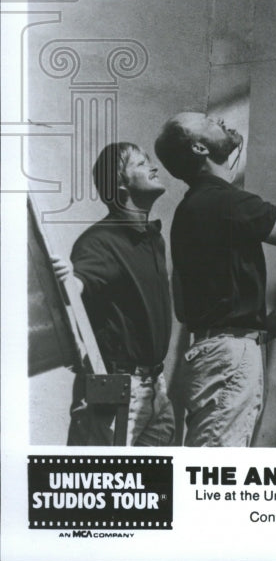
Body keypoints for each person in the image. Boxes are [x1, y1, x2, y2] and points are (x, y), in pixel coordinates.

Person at [154, 112, 276, 447]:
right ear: (199, 147)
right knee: (214, 472)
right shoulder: (224, 201)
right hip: (228, 359)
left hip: (217, 353)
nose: (220, 120)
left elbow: (185, 306)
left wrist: (258, 327)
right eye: (207, 121)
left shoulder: (192, 208)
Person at [51, 142, 175, 446]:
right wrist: (67, 278)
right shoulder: (100, 240)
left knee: (147, 488)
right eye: (140, 163)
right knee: (104, 483)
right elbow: (77, 287)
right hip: (119, 393)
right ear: (121, 186)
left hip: (156, 390)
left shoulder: (153, 239)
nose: (153, 166)